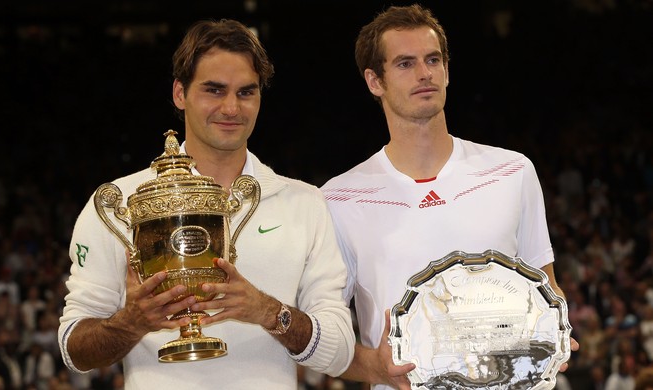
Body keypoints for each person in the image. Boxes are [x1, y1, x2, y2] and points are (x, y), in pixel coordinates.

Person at [58, 19, 355, 389]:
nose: (232, 108)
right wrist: (131, 322)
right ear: (180, 93)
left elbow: (340, 351)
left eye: (246, 92)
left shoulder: (304, 203)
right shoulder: (125, 203)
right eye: (214, 90)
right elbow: (74, 349)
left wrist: (267, 311)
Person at [320, 4, 578, 389]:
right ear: (375, 81)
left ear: (447, 70)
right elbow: (326, 336)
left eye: (433, 60)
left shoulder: (512, 171)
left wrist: (555, 333)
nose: (425, 74)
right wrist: (372, 367)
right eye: (405, 64)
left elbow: (545, 286)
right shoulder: (339, 198)